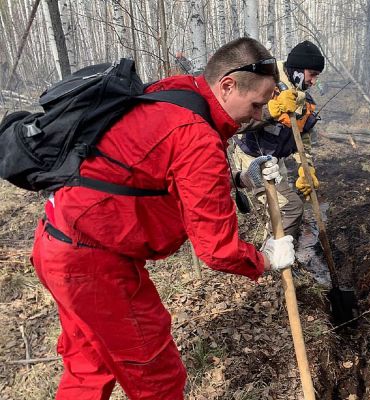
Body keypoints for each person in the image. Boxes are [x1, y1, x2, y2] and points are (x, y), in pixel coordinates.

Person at [30, 38, 295, 400]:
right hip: (94, 266)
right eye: (256, 104)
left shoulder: (175, 93)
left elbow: (149, 173)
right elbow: (217, 250)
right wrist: (264, 258)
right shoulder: (196, 135)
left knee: (89, 368)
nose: (259, 115)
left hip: (57, 240)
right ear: (228, 84)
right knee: (159, 379)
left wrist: (237, 181)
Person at [232, 40, 325, 240]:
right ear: (299, 70)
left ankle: (274, 256)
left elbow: (303, 137)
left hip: (274, 159)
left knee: (277, 213)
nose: (314, 82)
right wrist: (271, 111)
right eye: (313, 75)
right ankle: (276, 260)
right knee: (289, 208)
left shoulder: (302, 99)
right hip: (252, 157)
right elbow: (235, 124)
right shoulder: (265, 82)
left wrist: (305, 168)